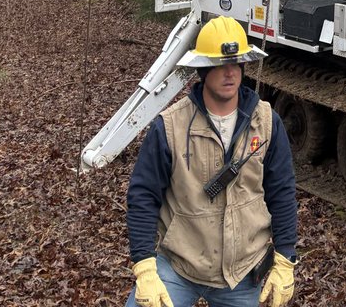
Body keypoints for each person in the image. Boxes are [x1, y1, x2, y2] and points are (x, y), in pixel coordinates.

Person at [125, 16, 298, 307]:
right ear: (203, 69)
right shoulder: (170, 127)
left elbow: (282, 192)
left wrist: (285, 259)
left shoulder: (267, 123)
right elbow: (143, 195)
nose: (229, 73)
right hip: (180, 266)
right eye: (219, 65)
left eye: (236, 63)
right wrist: (144, 265)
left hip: (242, 273)